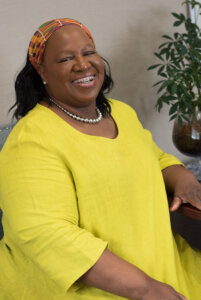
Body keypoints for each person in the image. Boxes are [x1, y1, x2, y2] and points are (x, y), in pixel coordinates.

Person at [0, 18, 201, 300]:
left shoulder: (121, 113)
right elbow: (49, 236)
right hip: (89, 287)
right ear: (41, 70)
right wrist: (146, 289)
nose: (83, 64)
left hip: (161, 264)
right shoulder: (30, 141)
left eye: (89, 52)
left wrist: (183, 178)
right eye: (66, 58)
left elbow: (154, 157)